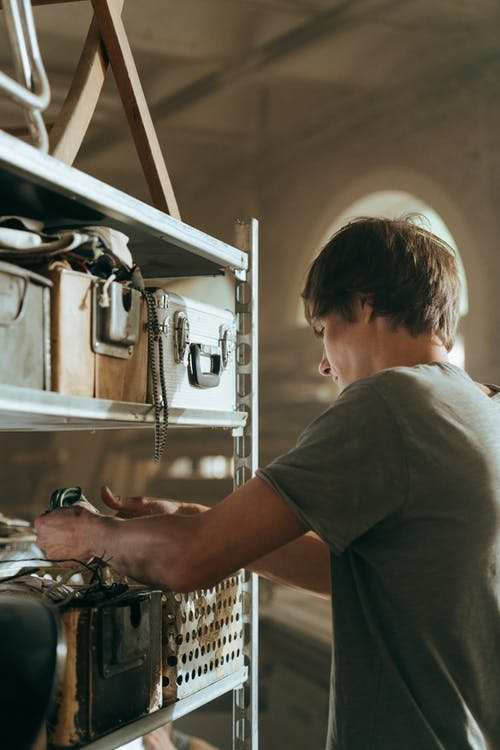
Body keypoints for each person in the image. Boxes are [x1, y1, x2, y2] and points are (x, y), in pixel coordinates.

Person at [35, 216, 500, 750]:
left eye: (325, 331)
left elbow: (187, 562)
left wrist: (92, 535)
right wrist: (201, 521)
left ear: (365, 302)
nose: (324, 363)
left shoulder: (390, 404)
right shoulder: (482, 406)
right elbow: (351, 570)